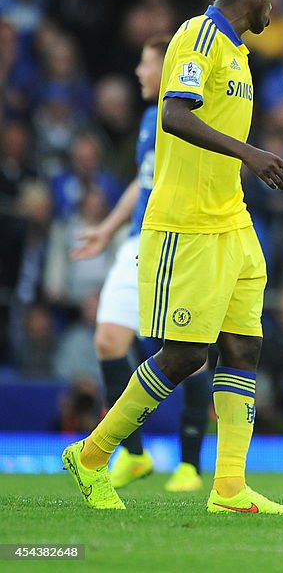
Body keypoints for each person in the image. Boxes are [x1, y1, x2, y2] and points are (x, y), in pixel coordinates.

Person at [62, 0, 283, 515]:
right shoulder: (198, 37)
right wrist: (251, 154)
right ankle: (92, 455)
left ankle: (230, 487)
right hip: (185, 224)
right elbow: (173, 113)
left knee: (244, 346)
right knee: (186, 354)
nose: (276, 5)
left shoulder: (239, 54)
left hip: (231, 222)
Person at [70, 35, 211, 494]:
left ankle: (190, 464)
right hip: (135, 242)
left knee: (187, 353)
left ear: (168, 69)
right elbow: (144, 180)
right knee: (109, 340)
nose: (138, 72)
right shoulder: (152, 119)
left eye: (145, 64)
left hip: (172, 241)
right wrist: (108, 229)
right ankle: (133, 455)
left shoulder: (188, 119)